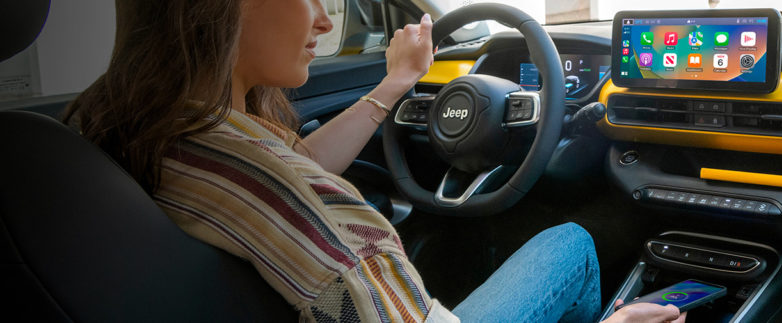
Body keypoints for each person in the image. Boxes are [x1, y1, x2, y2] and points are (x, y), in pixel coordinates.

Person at [63, 0, 686, 322]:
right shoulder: (315, 221)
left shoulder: (136, 130)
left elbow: (288, 168)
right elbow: (294, 186)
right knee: (571, 244)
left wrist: (396, 86)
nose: (324, 17)